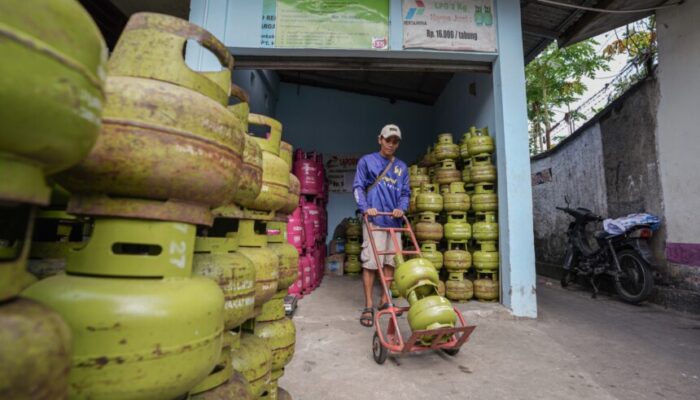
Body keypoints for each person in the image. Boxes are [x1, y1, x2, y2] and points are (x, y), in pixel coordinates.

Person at [352, 124, 410, 327]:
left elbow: (405, 193)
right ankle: (368, 305)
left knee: (390, 263)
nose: (391, 144)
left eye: (395, 142)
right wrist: (366, 208)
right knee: (370, 263)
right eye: (388, 140)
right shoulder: (367, 161)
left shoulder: (401, 167)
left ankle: (385, 300)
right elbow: (358, 187)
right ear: (380, 139)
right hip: (374, 221)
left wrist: (401, 208)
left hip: (393, 222)